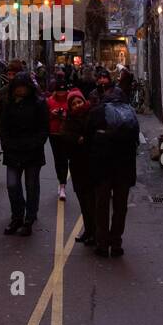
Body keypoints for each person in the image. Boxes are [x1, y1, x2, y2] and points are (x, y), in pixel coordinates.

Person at [0, 70, 48, 236]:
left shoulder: (38, 103)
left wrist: (35, 143)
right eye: (18, 88)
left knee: (31, 187)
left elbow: (43, 128)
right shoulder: (8, 103)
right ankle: (17, 216)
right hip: (13, 151)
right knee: (12, 185)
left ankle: (29, 219)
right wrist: (6, 142)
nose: (20, 91)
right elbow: (2, 124)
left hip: (32, 152)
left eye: (23, 88)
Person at [87, 85, 139, 256]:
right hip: (124, 168)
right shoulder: (130, 113)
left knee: (101, 205)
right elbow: (135, 144)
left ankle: (102, 243)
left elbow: (87, 138)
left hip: (102, 167)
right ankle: (116, 242)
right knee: (120, 207)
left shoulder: (97, 112)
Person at [61, 89, 98, 245]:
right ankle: (88, 231)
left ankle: (95, 233)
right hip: (76, 165)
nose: (77, 105)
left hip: (91, 165)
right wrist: (77, 139)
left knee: (91, 201)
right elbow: (66, 139)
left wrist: (80, 139)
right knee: (83, 201)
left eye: (79, 102)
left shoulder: (92, 116)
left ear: (84, 101)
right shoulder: (69, 120)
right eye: (74, 103)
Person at [45, 72, 78, 201]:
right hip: (54, 134)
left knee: (66, 159)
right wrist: (51, 114)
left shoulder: (71, 100)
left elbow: (76, 115)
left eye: (63, 92)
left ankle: (64, 184)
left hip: (67, 134)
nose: (61, 94)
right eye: (59, 92)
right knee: (59, 160)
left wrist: (66, 116)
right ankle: (62, 183)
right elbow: (44, 117)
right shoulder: (50, 101)